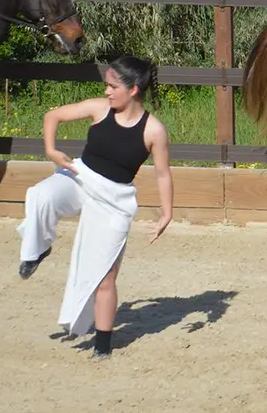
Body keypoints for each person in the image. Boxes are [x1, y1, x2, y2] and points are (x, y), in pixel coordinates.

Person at [16, 55, 173, 358]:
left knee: (105, 275)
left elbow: (163, 173)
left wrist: (167, 212)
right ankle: (36, 250)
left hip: (114, 200)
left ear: (133, 90)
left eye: (113, 86)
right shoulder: (99, 109)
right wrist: (51, 150)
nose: (107, 92)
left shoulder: (154, 130)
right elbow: (53, 116)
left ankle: (102, 344)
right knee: (40, 195)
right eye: (106, 85)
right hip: (79, 177)